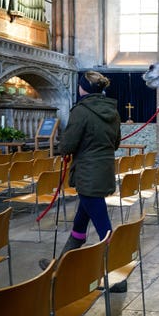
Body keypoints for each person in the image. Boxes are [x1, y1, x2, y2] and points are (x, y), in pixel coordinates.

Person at [39, 71, 122, 288]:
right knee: (80, 224)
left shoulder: (81, 111)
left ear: (83, 88)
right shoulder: (112, 110)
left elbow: (68, 144)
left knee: (105, 230)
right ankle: (61, 267)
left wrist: (65, 148)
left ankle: (116, 278)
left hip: (87, 172)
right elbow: (116, 143)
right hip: (103, 170)